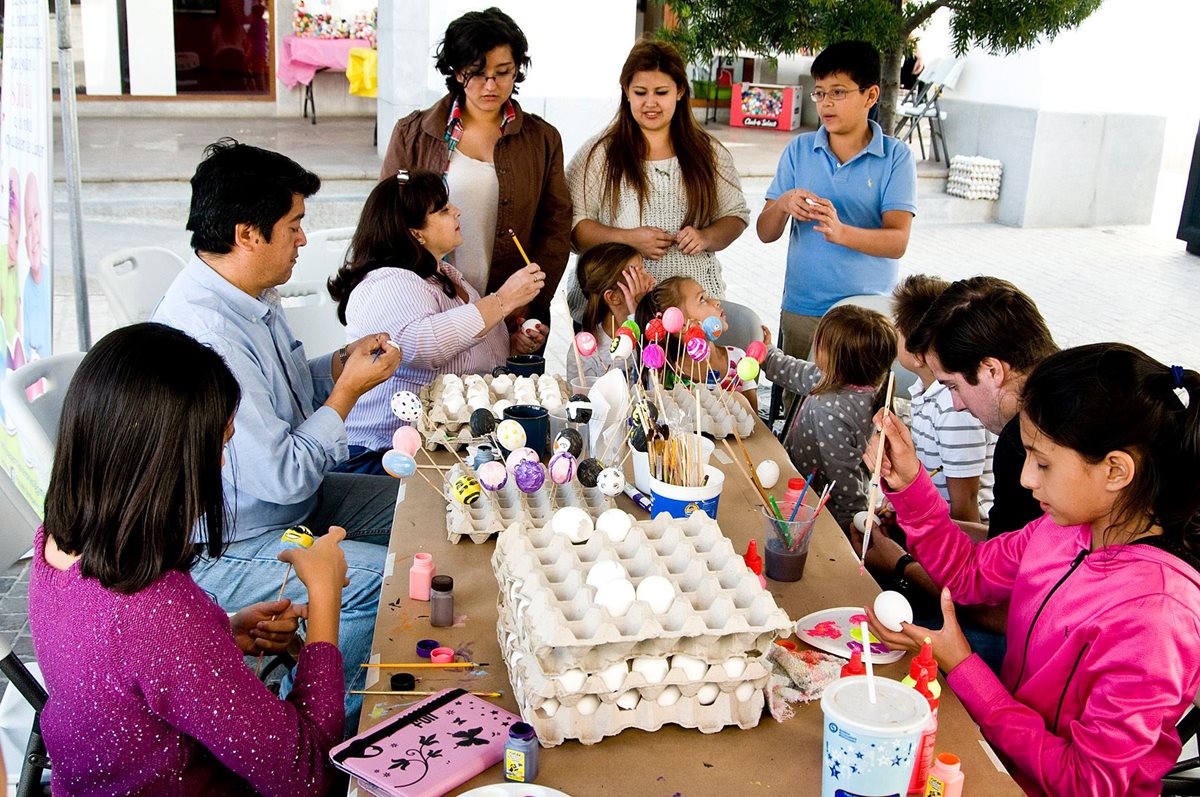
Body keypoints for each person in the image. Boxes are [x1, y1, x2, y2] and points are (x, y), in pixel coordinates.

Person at [866, 343, 1200, 796]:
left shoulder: (1156, 617)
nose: (1026, 478)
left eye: (1042, 462)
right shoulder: (1064, 528)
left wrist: (963, 666)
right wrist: (908, 483)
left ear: (1117, 470)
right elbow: (967, 574)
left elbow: (1087, 782)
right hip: (997, 754)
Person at [29, 323, 349, 795]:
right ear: (169, 459)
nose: (221, 463)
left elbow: (120, 671)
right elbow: (308, 775)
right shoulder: (156, 611)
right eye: (219, 444)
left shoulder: (55, 540)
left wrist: (222, 633)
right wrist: (324, 595)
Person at [152, 139, 402, 732]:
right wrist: (346, 395)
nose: (303, 240)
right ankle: (308, 732)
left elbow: (284, 394)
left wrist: (335, 368)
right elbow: (283, 472)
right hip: (230, 542)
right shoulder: (207, 332)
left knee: (419, 507)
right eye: (293, 226)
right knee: (376, 584)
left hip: (285, 505)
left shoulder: (246, 296)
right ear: (247, 234)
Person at [328, 171, 546, 472]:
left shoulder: (444, 276)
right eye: (443, 210)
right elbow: (421, 345)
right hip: (381, 452)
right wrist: (503, 300)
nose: (456, 211)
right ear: (414, 232)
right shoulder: (389, 281)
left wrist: (512, 341)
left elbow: (466, 352)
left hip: (438, 446)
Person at [379, 6, 570, 331]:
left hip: (515, 314)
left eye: (503, 72)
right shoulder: (413, 134)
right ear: (455, 71)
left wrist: (529, 299)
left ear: (517, 70)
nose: (490, 85)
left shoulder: (542, 139)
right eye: (476, 73)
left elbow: (555, 227)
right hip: (431, 310)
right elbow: (387, 222)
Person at [757, 40, 916, 361]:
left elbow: (897, 241)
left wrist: (841, 232)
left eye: (838, 92)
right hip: (805, 308)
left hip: (868, 314)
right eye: (820, 92)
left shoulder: (896, 157)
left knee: (864, 406)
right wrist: (784, 203)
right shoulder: (799, 150)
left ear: (870, 95)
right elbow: (765, 232)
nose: (826, 103)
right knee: (800, 405)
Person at [566, 40, 749, 318]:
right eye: (640, 92)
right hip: (614, 315)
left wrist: (706, 236)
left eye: (661, 92)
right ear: (626, 92)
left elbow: (736, 216)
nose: (650, 103)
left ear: (680, 91)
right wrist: (628, 239)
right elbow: (573, 228)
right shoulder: (598, 155)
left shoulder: (709, 153)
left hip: (690, 319)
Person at [922, 276, 1056, 537]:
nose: (957, 405)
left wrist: (901, 564)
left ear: (992, 370)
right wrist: (924, 525)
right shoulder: (1079, 384)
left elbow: (1006, 573)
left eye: (953, 386)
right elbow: (1009, 544)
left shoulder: (1023, 440)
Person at [758, 306, 897, 531]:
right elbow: (792, 371)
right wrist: (767, 353)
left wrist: (853, 525)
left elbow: (844, 478)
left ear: (838, 359)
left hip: (816, 507)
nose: (815, 345)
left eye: (820, 343)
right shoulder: (842, 378)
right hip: (798, 481)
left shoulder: (832, 409)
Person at [892, 274, 993, 523]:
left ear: (917, 354)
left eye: (899, 329)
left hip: (963, 532)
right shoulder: (924, 390)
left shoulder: (953, 408)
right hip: (935, 521)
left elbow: (966, 502)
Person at [635, 275, 759, 411]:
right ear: (682, 325)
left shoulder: (739, 361)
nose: (716, 301)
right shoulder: (665, 377)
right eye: (702, 299)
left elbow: (754, 420)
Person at [568, 241, 656, 385]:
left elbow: (657, 387)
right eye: (640, 274)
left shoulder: (654, 336)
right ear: (612, 297)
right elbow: (581, 399)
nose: (653, 280)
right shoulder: (585, 350)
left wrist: (637, 317)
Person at [22, 172, 51, 360]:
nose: (33, 234)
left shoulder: (47, 279)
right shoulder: (24, 288)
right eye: (28, 222)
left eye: (36, 216)